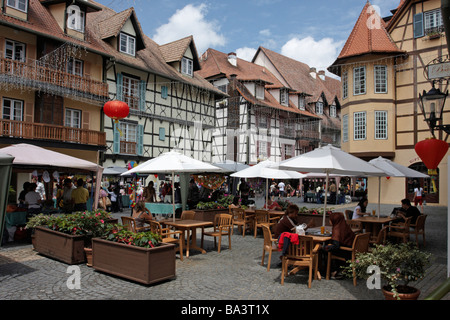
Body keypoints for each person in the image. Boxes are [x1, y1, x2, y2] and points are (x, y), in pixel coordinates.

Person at [322, 212, 356, 279]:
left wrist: (323, 247)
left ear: (334, 220)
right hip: (351, 251)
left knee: (324, 250)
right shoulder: (345, 226)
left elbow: (336, 246)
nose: (329, 221)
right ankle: (338, 269)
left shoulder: (336, 229)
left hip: (346, 253)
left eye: (330, 219)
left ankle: (331, 271)